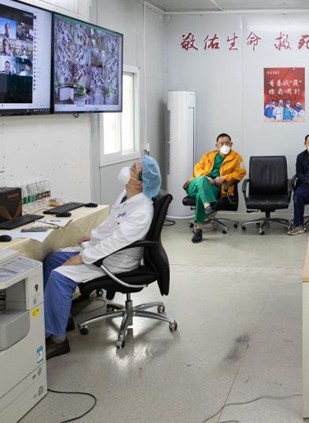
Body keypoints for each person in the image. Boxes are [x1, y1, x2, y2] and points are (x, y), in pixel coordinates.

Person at [41, 155, 162, 359]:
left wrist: (83, 257)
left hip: (114, 261)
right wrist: (93, 235)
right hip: (103, 251)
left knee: (59, 277)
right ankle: (61, 316)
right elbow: (111, 223)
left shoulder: (142, 211)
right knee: (51, 260)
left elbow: (117, 242)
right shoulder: (126, 194)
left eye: (132, 169)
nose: (127, 169)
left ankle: (58, 340)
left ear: (139, 183)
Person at [183, 133, 246, 243]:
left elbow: (241, 172)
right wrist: (206, 176)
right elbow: (197, 168)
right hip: (196, 184)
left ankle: (199, 230)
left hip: (215, 187)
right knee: (202, 180)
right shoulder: (208, 156)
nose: (224, 145)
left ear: (231, 144)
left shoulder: (236, 158)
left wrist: (225, 177)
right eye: (221, 143)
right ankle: (208, 208)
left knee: (200, 196)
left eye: (227, 143)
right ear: (216, 145)